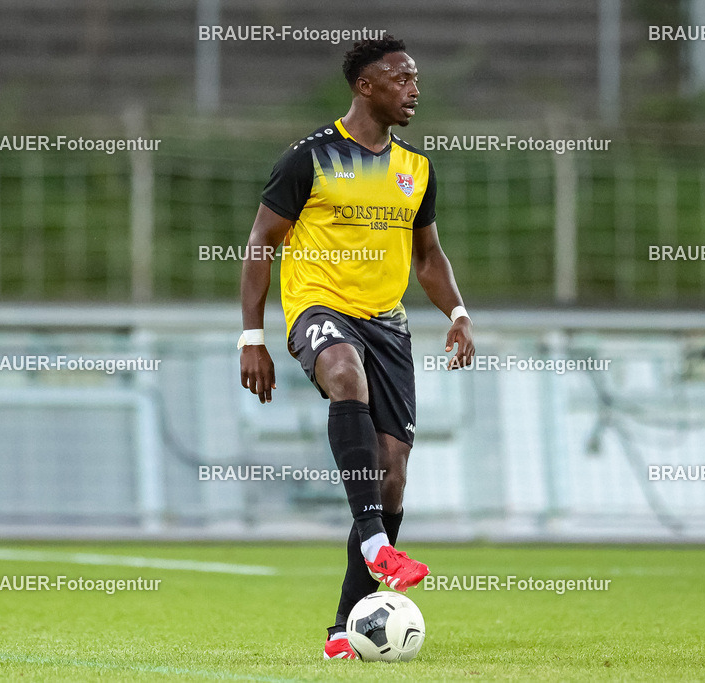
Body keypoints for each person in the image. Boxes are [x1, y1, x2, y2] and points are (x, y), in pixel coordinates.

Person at [238, 35, 475, 660]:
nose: (413, 89)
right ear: (364, 86)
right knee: (343, 372)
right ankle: (377, 548)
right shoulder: (309, 158)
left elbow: (427, 256)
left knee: (391, 477)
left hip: (388, 326)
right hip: (320, 309)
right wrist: (252, 335)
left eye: (416, 78)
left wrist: (456, 311)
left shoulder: (416, 169)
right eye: (400, 78)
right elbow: (263, 240)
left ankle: (343, 629)